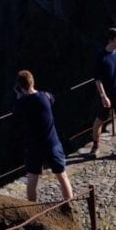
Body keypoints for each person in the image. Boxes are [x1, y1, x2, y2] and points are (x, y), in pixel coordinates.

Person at [12, 70, 74, 204]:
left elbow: (16, 117)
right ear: (32, 82)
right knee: (62, 176)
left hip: (34, 147)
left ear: (20, 87)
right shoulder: (45, 97)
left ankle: (33, 210)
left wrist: (19, 96)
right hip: (52, 143)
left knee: (32, 180)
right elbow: (50, 98)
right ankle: (69, 206)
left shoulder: (21, 104)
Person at [88, 27, 116, 160]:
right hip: (106, 96)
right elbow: (97, 79)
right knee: (100, 120)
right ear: (111, 40)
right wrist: (103, 96)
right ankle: (95, 147)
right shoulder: (100, 57)